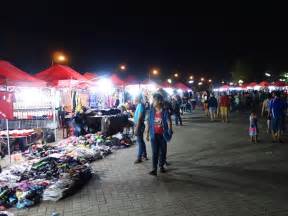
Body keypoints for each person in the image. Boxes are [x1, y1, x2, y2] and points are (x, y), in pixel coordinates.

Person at [146, 93, 173, 176]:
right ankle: (154, 169)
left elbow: (169, 121)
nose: (153, 101)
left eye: (154, 100)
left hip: (162, 135)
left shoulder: (165, 111)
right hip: (154, 135)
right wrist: (147, 133)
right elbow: (148, 123)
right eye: (153, 100)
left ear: (159, 101)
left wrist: (170, 130)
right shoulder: (151, 111)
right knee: (155, 152)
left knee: (163, 151)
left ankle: (161, 166)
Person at [134, 95, 148, 163]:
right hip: (139, 125)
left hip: (139, 125)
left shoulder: (141, 105)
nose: (134, 99)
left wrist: (137, 128)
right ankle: (144, 155)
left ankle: (139, 157)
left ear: (138, 98)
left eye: (135, 97)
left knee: (140, 142)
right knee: (141, 141)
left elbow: (139, 118)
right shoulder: (139, 105)